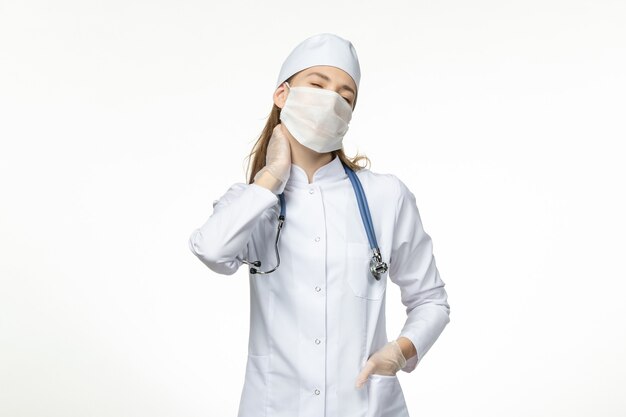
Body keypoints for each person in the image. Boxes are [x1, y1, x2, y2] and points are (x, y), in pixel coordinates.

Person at [188, 33, 451, 417]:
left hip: (364, 406)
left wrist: (400, 351)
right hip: (274, 406)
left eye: (346, 95)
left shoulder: (386, 196)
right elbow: (211, 250)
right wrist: (272, 176)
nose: (332, 100)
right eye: (317, 84)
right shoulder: (251, 201)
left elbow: (431, 300)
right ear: (282, 95)